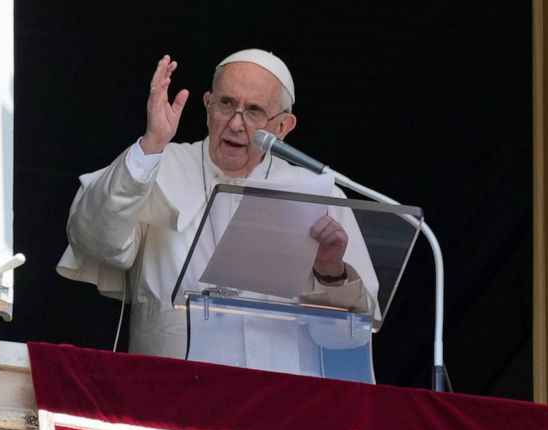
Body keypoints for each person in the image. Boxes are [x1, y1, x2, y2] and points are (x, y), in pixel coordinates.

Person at [57, 49, 378, 369]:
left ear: (283, 127)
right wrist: (152, 143)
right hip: (170, 389)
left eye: (254, 111)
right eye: (226, 103)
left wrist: (331, 273)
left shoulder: (319, 196)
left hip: (279, 395)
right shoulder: (156, 166)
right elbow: (95, 240)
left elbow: (345, 339)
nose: (236, 123)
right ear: (208, 105)